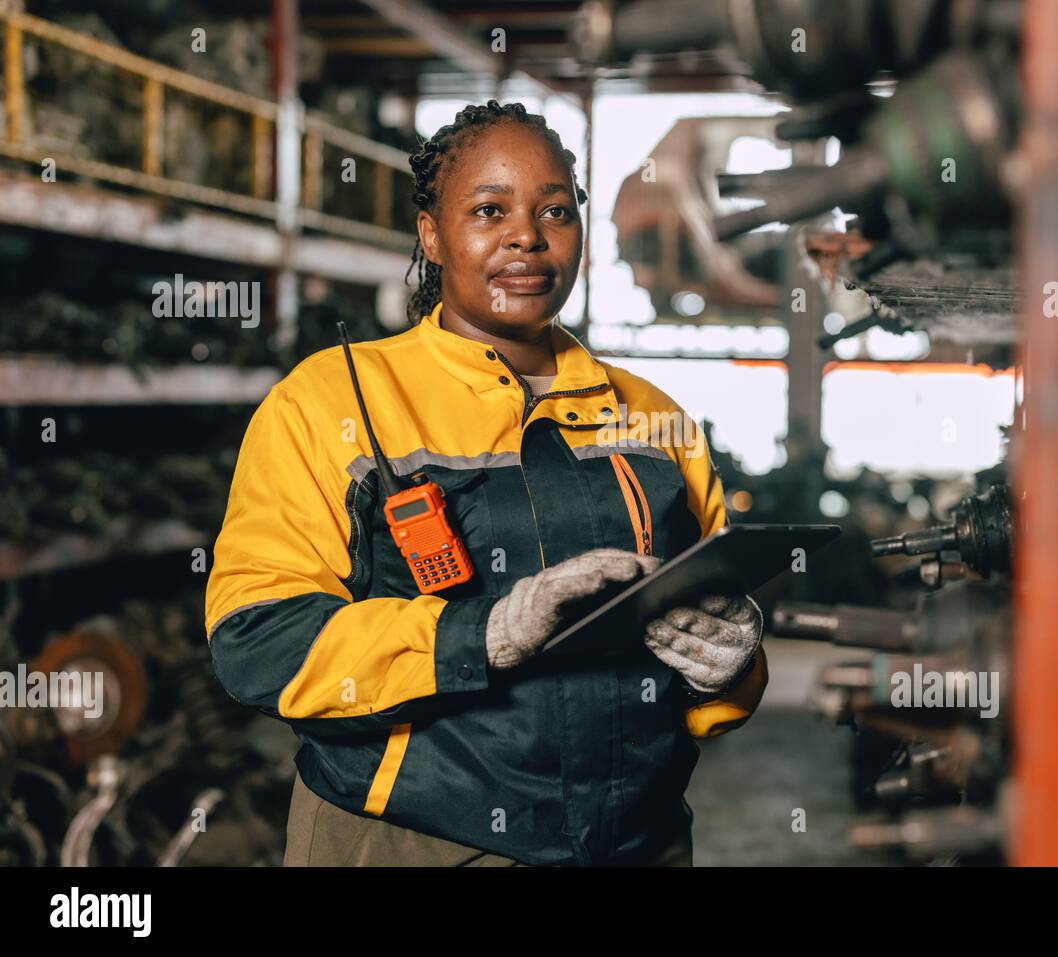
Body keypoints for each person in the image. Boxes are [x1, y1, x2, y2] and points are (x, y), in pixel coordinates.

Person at [204, 100, 768, 867]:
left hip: (640, 839)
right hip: (417, 841)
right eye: (488, 209)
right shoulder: (335, 401)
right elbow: (258, 642)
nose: (527, 236)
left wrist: (731, 664)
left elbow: (705, 624)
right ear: (432, 236)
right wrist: (483, 634)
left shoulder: (652, 416)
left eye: (554, 210)